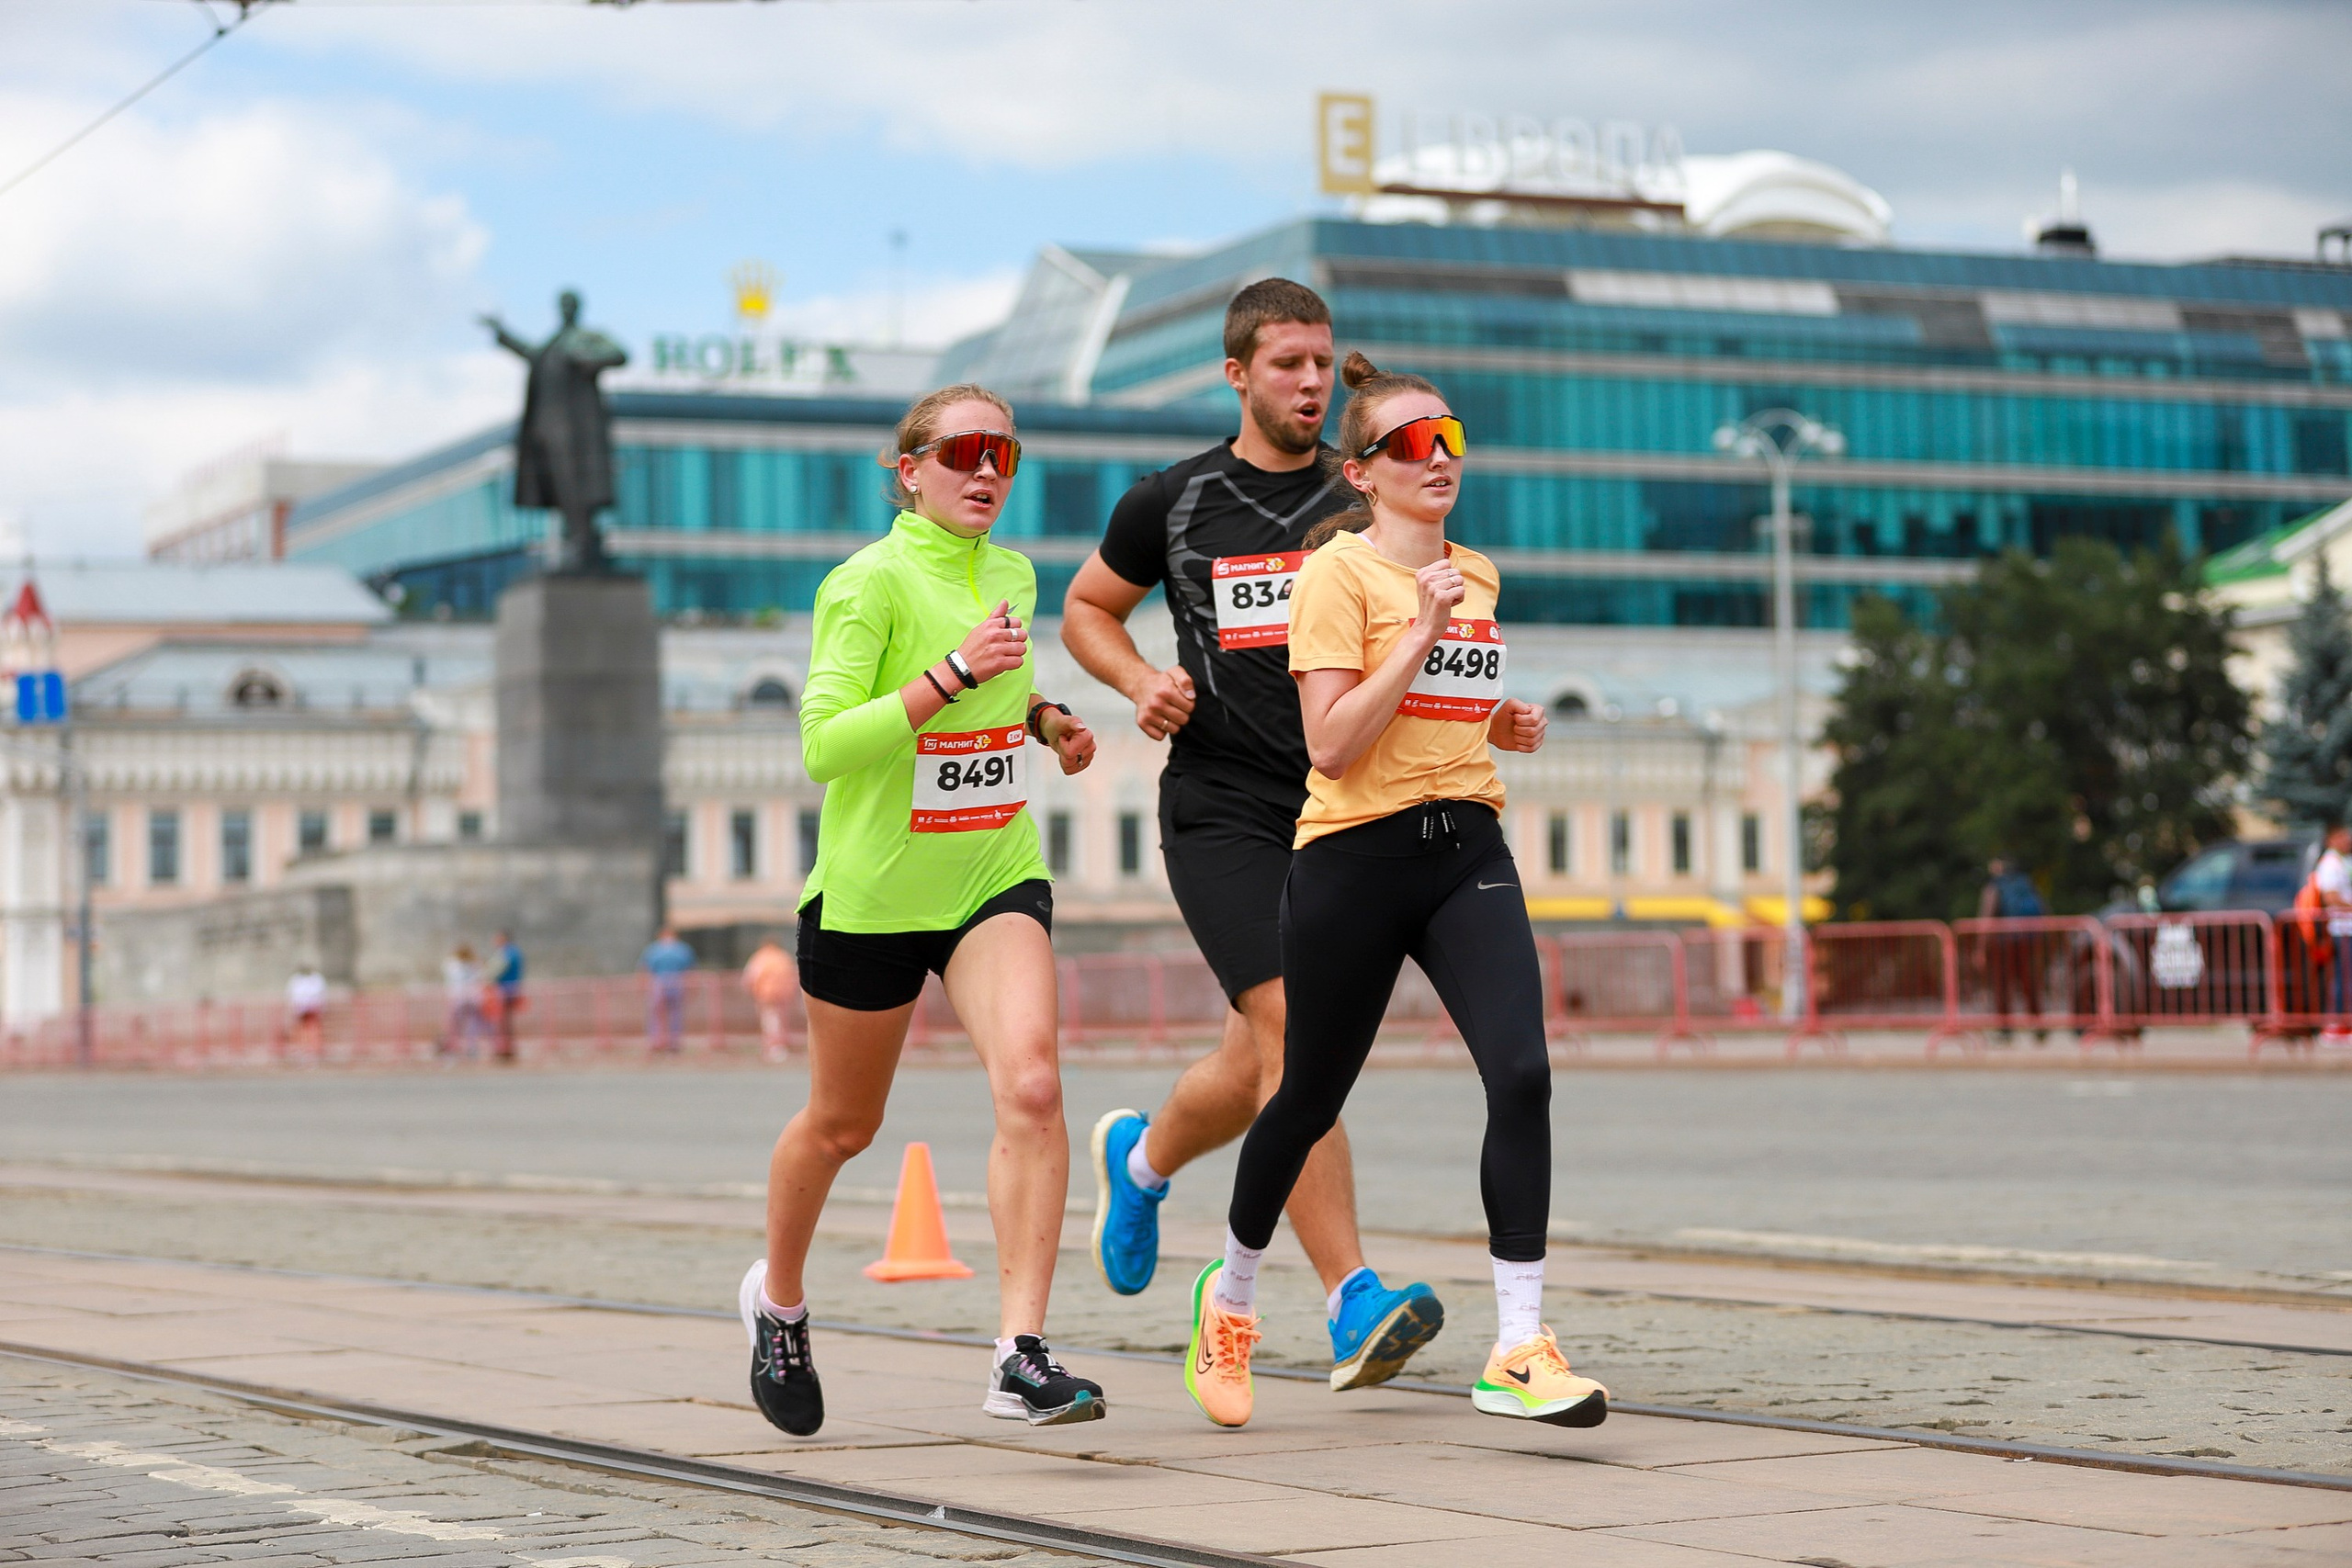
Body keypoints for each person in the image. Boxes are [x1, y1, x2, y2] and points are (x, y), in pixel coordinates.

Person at [1184, 353, 1607, 1433]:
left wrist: (1496, 718)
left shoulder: (1481, 572)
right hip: (1352, 860)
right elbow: (1328, 745)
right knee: (1307, 1101)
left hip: (1466, 844)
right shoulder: (1335, 575)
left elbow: (1438, 710)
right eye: (1412, 444)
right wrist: (1418, 633)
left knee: (1521, 1073)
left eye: (1451, 439)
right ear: (1363, 472)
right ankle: (1229, 1300)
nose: (1439, 460)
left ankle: (1518, 1344)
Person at [1062, 277, 1442, 1394]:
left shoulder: (1367, 493)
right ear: (1237, 375)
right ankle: (1348, 1298)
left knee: (1253, 1062)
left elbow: (1435, 625)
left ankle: (1140, 1163)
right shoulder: (1170, 503)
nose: (1311, 384)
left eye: (1322, 363)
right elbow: (1086, 608)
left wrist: (1486, 716)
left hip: (1340, 804)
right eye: (1287, 365)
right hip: (1221, 806)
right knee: (1296, 1030)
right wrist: (1138, 679)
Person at [738, 383, 1104, 1439]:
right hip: (873, 895)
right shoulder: (865, 585)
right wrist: (948, 674)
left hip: (990, 871)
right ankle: (782, 1301)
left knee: (1032, 1085)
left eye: (1004, 453)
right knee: (843, 1125)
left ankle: (1018, 1354)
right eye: (962, 452)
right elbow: (823, 745)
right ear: (909, 469)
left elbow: (1004, 692)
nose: (986, 470)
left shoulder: (1013, 573)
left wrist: (1045, 719)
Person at [1976, 856, 2046, 1045]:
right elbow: (2043, 908)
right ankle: (2038, 1025)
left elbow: (1987, 915)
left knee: (2002, 986)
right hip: (2027, 940)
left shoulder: (1995, 886)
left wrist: (1981, 947)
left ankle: (2005, 1029)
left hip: (2004, 942)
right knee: (2029, 983)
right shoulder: (2025, 883)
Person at [2312, 826, 2352, 1041]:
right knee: (2344, 977)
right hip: (2342, 929)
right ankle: (2336, 1027)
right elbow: (2330, 897)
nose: (2348, 840)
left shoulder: (2344, 860)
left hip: (2348, 927)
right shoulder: (2330, 863)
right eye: (2343, 836)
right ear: (2331, 839)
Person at [641, 925, 695, 1054]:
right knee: (675, 1014)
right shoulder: (682, 949)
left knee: (657, 1014)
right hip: (676, 982)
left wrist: (644, 986)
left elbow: (645, 968)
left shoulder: (654, 949)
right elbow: (690, 970)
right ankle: (673, 1042)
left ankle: (657, 1041)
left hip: (659, 983)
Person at [741, 933, 796, 1061]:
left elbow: (750, 976)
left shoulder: (760, 957)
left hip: (765, 994)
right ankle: (777, 1046)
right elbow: (791, 975)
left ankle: (773, 1047)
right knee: (779, 1020)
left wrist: (751, 990)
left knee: (769, 1020)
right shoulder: (783, 957)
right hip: (782, 994)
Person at [441, 943, 488, 1059]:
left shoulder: (453, 965)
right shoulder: (475, 965)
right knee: (473, 1024)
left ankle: (453, 1047)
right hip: (473, 997)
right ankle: (471, 1047)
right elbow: (482, 977)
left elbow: (447, 971)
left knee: (455, 1024)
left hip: (459, 997)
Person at [489, 931, 525, 1063]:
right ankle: (508, 1047)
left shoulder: (507, 952)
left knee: (502, 1021)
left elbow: (497, 970)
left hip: (505, 990)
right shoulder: (515, 952)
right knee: (507, 1021)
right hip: (511, 989)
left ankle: (504, 1048)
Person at [286, 964, 327, 1058]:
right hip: (302, 1007)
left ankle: (312, 1048)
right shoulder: (298, 980)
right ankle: (304, 1048)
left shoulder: (315, 979)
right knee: (303, 1029)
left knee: (311, 1028)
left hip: (310, 1007)